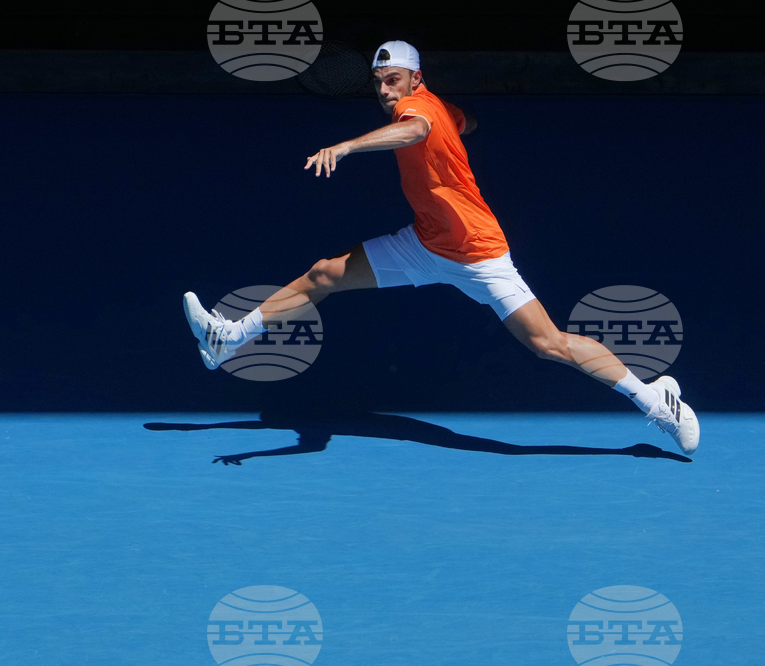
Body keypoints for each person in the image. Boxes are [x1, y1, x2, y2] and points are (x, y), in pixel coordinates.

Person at [182, 40, 699, 455]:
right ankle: (230, 339)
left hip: (477, 253)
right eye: (378, 82)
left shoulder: (416, 110)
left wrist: (347, 146)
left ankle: (657, 401)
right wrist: (460, 122)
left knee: (548, 344)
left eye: (393, 80)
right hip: (424, 243)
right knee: (324, 275)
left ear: (415, 79)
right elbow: (463, 120)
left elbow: (414, 130)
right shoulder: (437, 107)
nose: (385, 91)